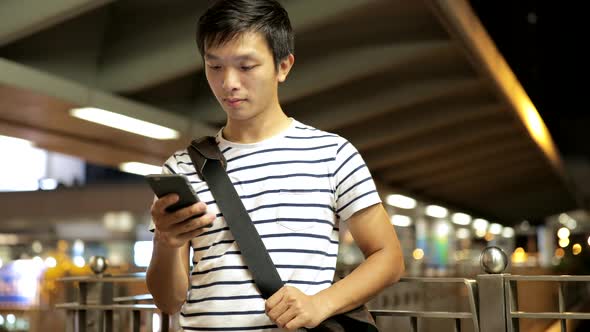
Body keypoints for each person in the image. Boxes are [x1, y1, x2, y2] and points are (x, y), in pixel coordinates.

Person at [146, 0, 404, 330]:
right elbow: (168, 301)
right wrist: (165, 243)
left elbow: (389, 258)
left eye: (246, 66)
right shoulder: (180, 169)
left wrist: (320, 304)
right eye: (215, 67)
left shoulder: (332, 154)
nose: (228, 83)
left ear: (283, 66)